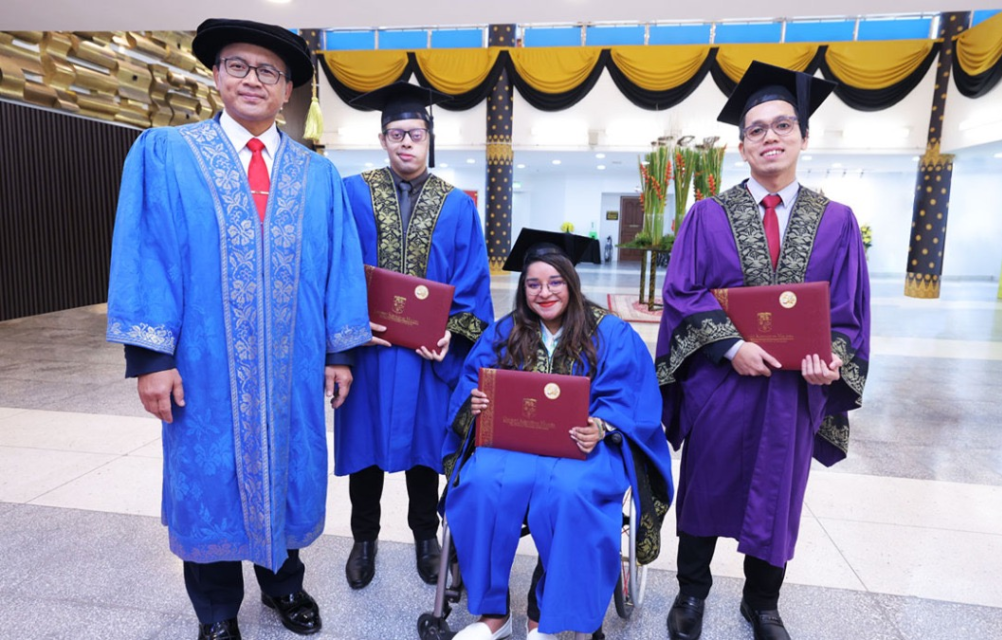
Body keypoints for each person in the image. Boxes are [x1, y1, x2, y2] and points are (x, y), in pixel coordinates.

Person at [105, 18, 371, 640]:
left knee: (287, 468)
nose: (253, 80)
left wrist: (339, 352)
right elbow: (147, 252)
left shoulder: (317, 176)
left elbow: (338, 266)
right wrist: (151, 359)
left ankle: (284, 587)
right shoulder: (166, 155)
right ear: (216, 75)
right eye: (238, 66)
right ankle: (216, 610)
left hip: (291, 365)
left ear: (287, 91)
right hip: (203, 367)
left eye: (268, 71)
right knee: (210, 479)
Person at [656, 61, 870, 640]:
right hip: (721, 383)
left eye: (782, 125)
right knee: (704, 484)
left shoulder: (838, 222)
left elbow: (848, 311)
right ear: (742, 146)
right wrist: (729, 347)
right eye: (756, 129)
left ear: (803, 136)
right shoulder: (706, 216)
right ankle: (691, 592)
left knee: (780, 492)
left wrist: (832, 363)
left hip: (793, 390)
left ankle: (763, 603)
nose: (770, 136)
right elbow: (682, 292)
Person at [442, 230, 673, 640]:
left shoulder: (611, 332)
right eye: (533, 284)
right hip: (514, 448)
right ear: (523, 289)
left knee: (569, 492)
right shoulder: (504, 331)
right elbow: (472, 383)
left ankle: (543, 616)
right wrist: (475, 404)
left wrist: (600, 426)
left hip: (583, 449)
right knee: (479, 484)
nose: (544, 292)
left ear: (571, 282)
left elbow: (632, 395)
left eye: (554, 282)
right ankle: (493, 614)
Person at [333, 81, 493, 590]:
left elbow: (473, 281)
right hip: (369, 352)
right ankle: (364, 539)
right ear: (382, 139)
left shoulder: (457, 205)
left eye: (415, 134)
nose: (406, 142)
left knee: (426, 448)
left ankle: (426, 538)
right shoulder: (351, 193)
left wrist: (452, 335)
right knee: (365, 449)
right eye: (397, 134)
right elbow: (333, 267)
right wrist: (349, 329)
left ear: (429, 138)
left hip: (428, 356)